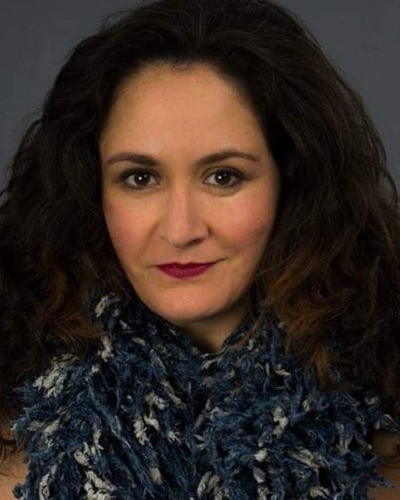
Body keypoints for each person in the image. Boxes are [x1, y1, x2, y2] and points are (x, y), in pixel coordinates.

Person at [0, 0, 399, 497]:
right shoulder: (16, 452)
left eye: (223, 177)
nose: (181, 229)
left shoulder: (381, 455)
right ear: (90, 190)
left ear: (293, 181)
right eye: (139, 178)